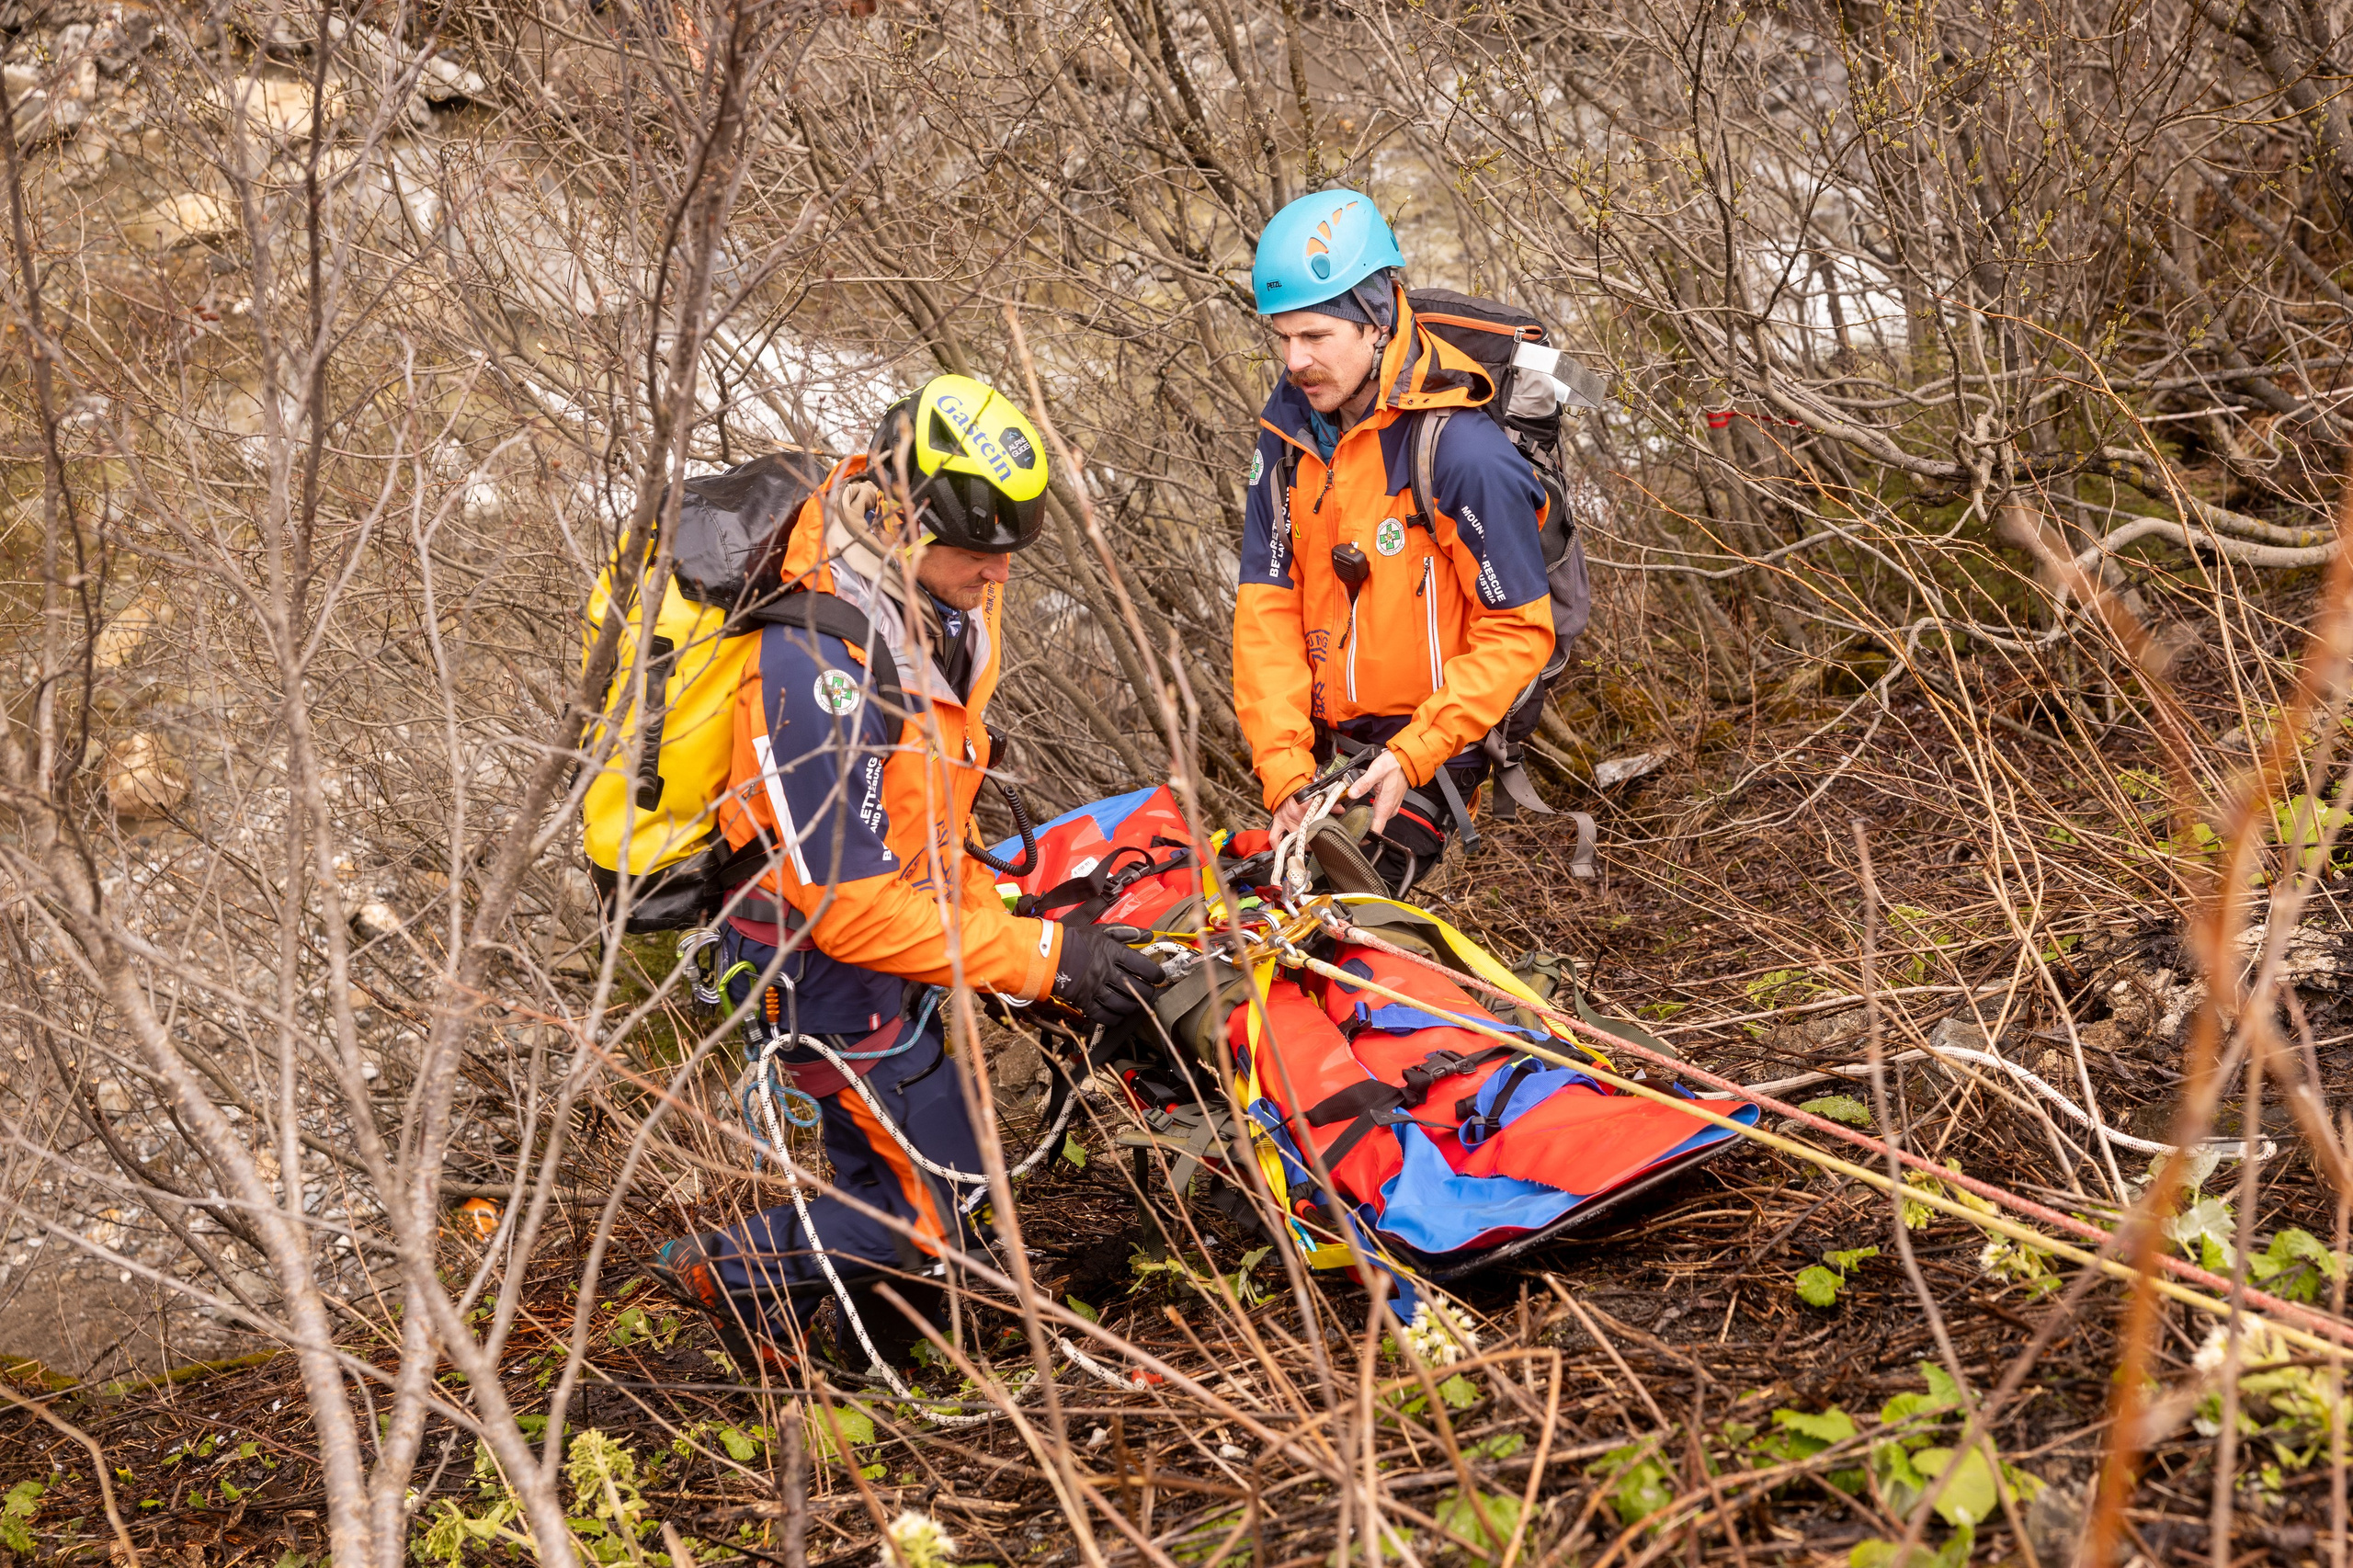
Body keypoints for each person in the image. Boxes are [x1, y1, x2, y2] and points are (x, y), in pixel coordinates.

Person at [648, 374, 1165, 1375]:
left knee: (921, 1169)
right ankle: (724, 1271)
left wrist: (993, 914)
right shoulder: (811, 664)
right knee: (929, 1200)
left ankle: (857, 1350)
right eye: (981, 552)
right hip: (812, 956)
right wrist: (1042, 957)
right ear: (900, 517)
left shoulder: (938, 594)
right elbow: (844, 909)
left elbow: (932, 795)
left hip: (900, 914)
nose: (999, 576)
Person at [1234, 189, 1557, 892]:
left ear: (1376, 320)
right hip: (1331, 740)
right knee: (1254, 893)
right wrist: (1283, 767)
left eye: (1315, 336)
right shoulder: (1287, 442)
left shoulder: (1461, 452)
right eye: (1282, 336)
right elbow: (1266, 608)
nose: (1294, 360)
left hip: (1443, 735)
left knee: (1350, 910)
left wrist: (1413, 754)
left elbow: (1518, 633)